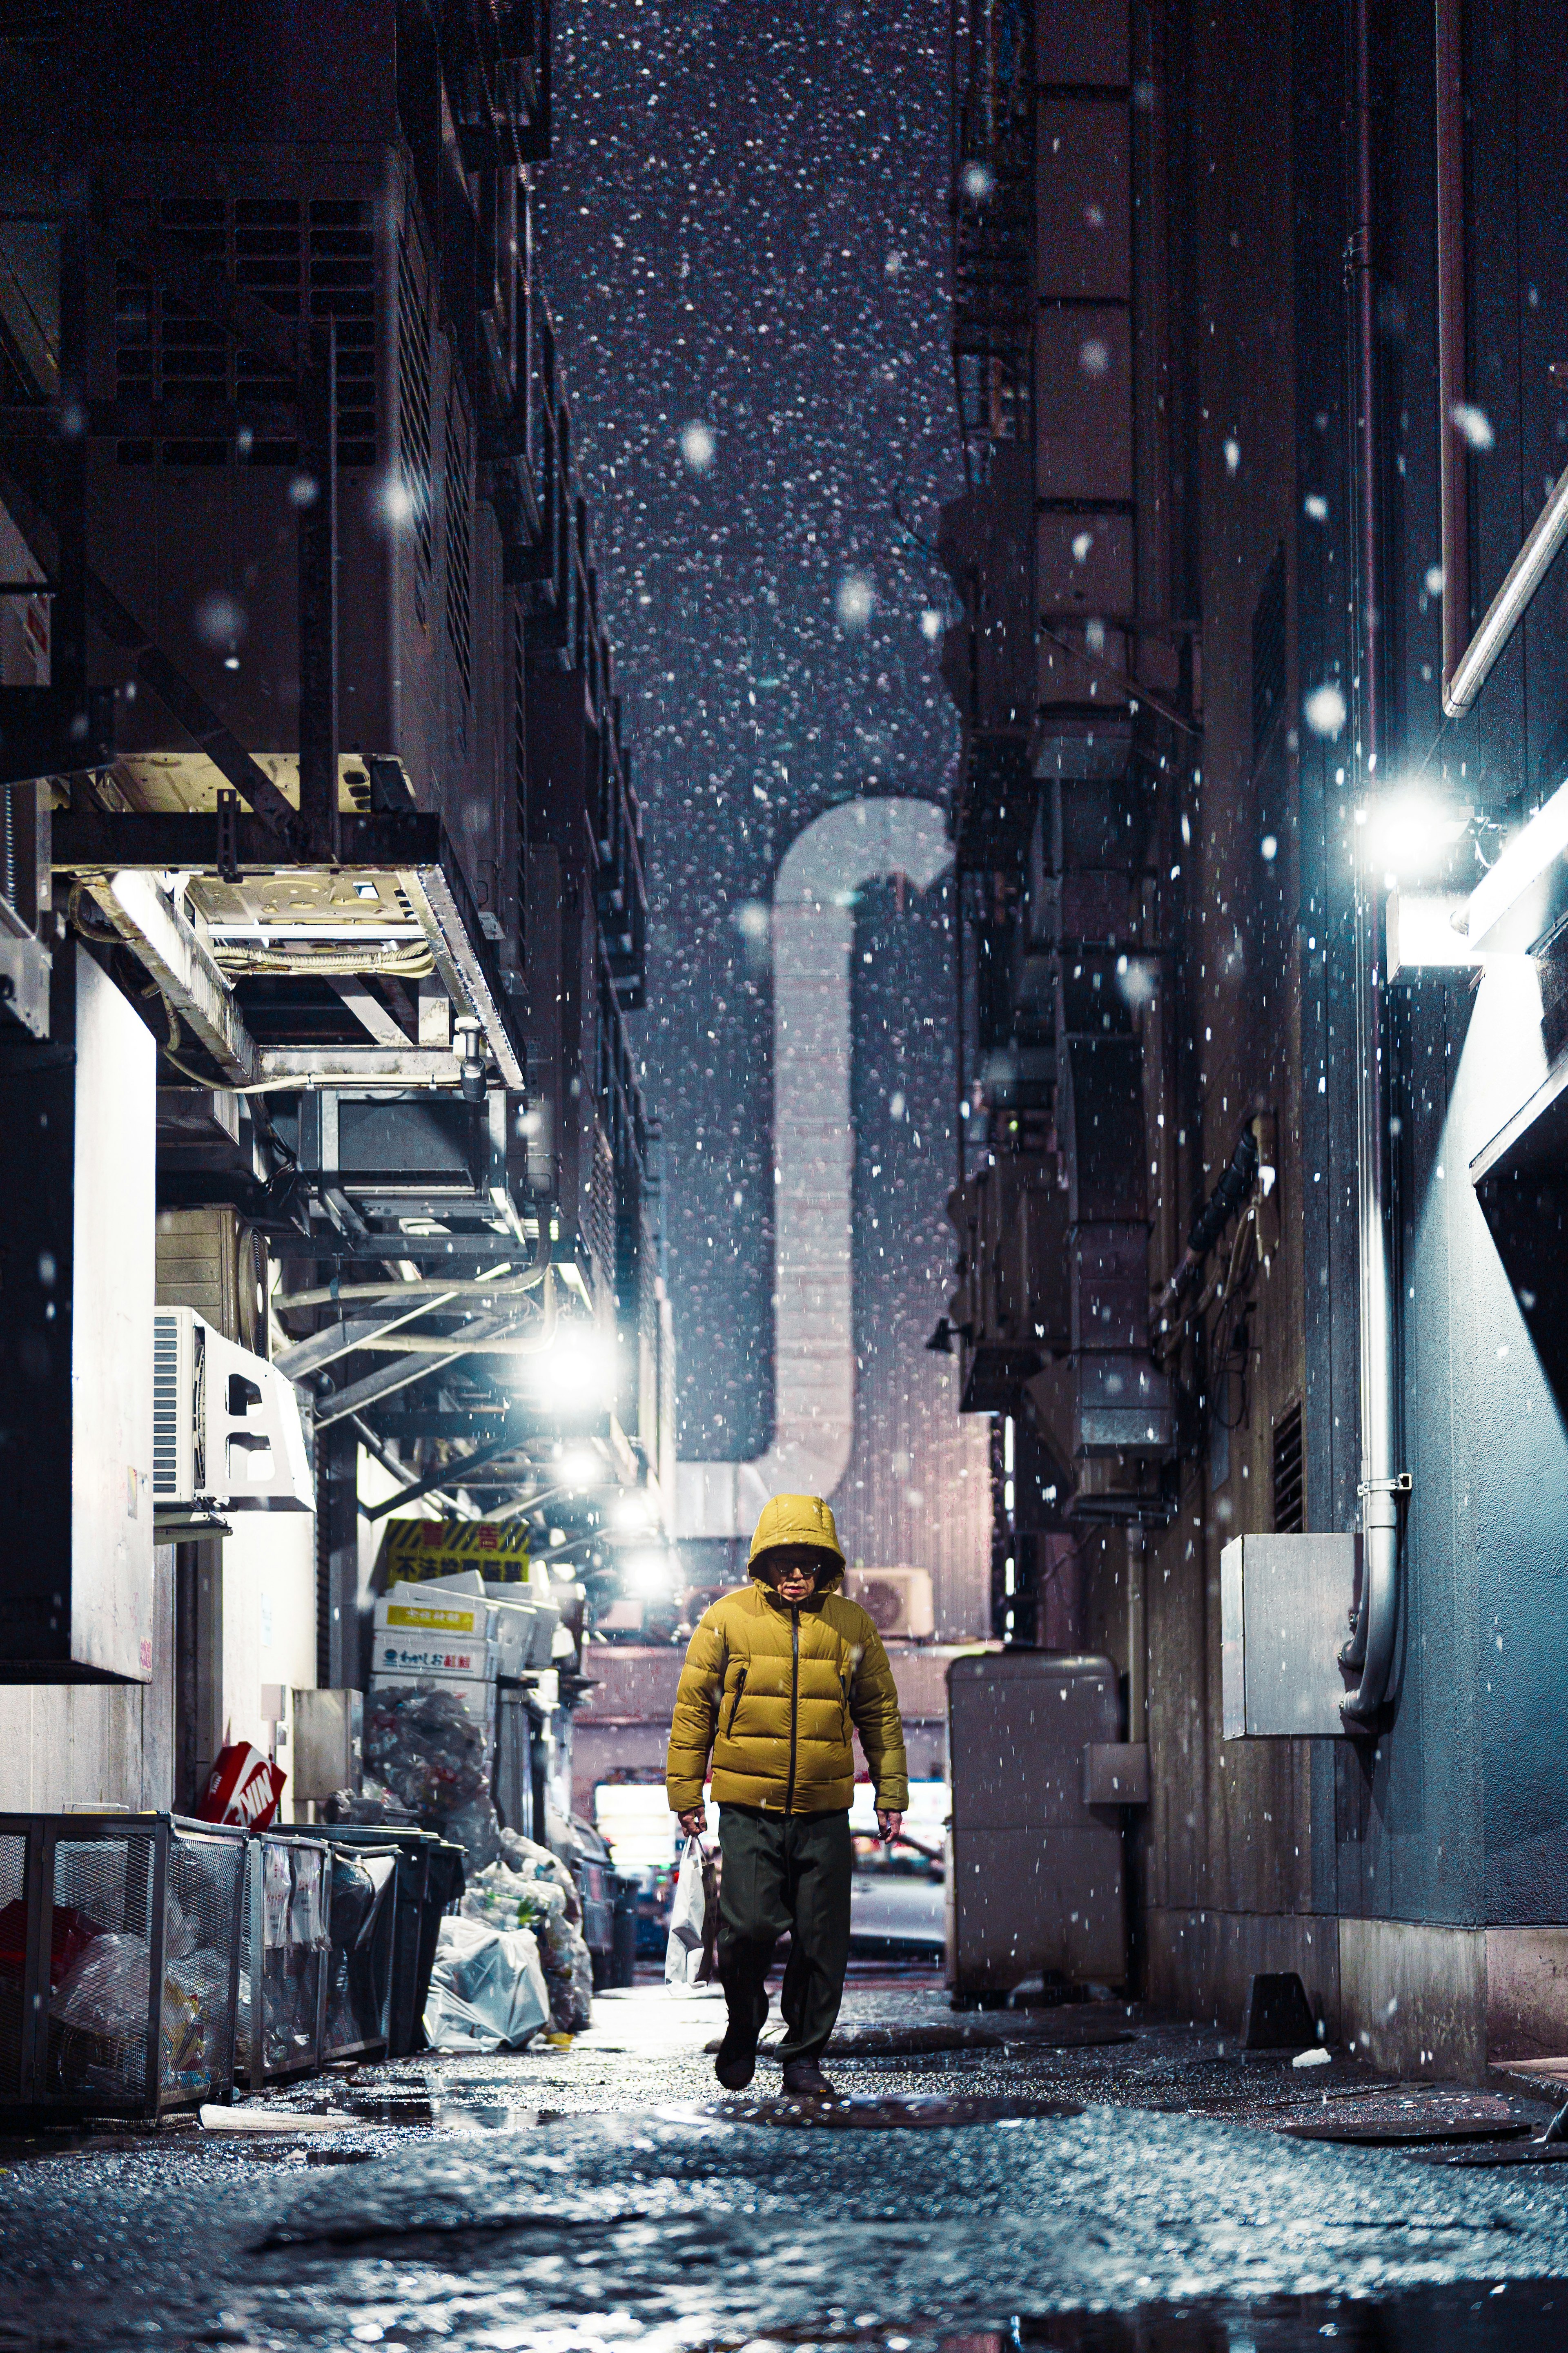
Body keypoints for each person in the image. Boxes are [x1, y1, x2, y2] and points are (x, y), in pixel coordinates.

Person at [666, 1492, 908, 2099]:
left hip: (825, 1808)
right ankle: (745, 2021)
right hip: (748, 1807)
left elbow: (878, 1709)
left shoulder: (852, 1626)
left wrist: (890, 1789)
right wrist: (685, 1790)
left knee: (821, 1940)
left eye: (808, 1562)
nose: (796, 1575)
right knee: (745, 1930)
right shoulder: (726, 1619)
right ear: (764, 1563)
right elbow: (694, 1708)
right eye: (784, 1562)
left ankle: (803, 2057)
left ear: (827, 1564)